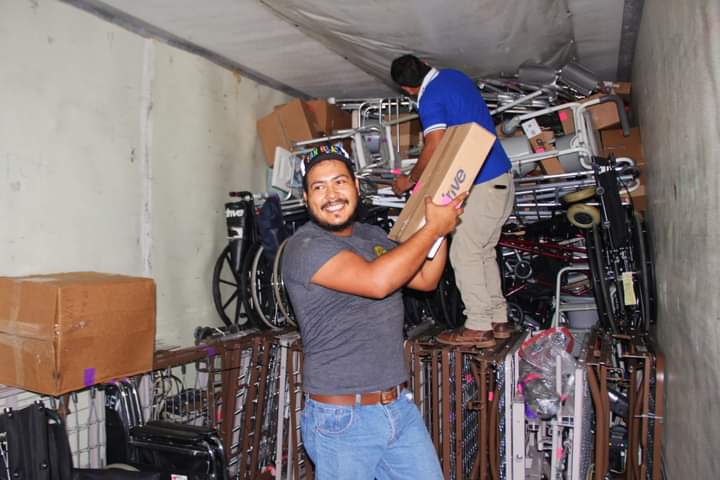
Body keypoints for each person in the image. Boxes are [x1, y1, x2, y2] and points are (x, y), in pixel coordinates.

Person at [281, 144, 467, 479]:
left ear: (356, 186)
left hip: (397, 407)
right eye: (319, 187)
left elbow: (425, 278)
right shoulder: (304, 247)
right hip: (343, 419)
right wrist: (433, 229)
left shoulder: (373, 236)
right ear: (307, 199)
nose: (331, 195)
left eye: (339, 182)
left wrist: (441, 231)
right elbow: (378, 282)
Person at [390, 54, 515, 348]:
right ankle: (498, 320)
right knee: (483, 252)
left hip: (481, 183)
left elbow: (434, 144)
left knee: (464, 253)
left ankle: (478, 326)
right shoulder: (455, 76)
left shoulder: (429, 98)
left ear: (407, 89)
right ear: (424, 62)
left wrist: (410, 180)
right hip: (501, 178)